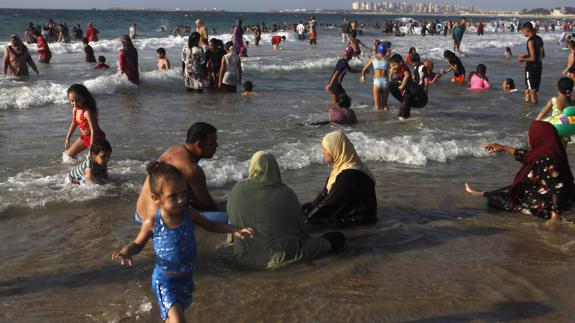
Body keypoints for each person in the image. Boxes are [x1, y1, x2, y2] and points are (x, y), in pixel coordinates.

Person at [113, 161, 253, 323]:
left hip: (186, 279)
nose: (181, 200)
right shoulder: (152, 222)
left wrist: (233, 229)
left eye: (184, 193)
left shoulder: (189, 214)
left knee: (172, 319)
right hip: (165, 282)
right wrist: (126, 251)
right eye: (173, 196)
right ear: (156, 198)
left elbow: (211, 225)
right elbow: (137, 244)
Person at [227, 151, 344, 269]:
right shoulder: (286, 193)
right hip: (280, 258)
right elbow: (300, 231)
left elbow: (232, 225)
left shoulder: (238, 189)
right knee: (336, 238)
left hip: (243, 258)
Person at [465, 121, 575, 221]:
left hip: (542, 205)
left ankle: (481, 194)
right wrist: (503, 148)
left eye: (530, 135)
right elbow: (526, 156)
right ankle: (482, 193)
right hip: (562, 198)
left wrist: (555, 216)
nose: (528, 139)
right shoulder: (553, 151)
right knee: (512, 188)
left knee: (495, 201)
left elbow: (558, 188)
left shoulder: (546, 159)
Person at [135, 122, 224, 224]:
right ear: (199, 144)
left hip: (139, 216)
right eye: (212, 142)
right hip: (159, 224)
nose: (217, 145)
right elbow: (209, 206)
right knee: (229, 217)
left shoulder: (172, 150)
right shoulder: (191, 169)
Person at [302, 131, 377, 225]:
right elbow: (323, 197)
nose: (323, 152)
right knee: (304, 208)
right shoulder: (340, 169)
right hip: (344, 213)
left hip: (356, 221)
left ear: (336, 149)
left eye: (325, 149)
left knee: (312, 222)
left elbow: (329, 204)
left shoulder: (351, 174)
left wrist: (306, 220)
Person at [64, 84, 106, 160]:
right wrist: (68, 138)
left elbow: (93, 131)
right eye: (72, 101)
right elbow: (74, 123)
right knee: (69, 155)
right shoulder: (75, 110)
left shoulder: (87, 112)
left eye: (78, 100)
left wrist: (91, 149)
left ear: (84, 98)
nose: (75, 104)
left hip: (96, 138)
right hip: (84, 137)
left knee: (97, 160)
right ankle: (78, 168)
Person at [389, 53, 427, 120]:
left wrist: (402, 86)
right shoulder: (396, 69)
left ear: (400, 63)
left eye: (394, 65)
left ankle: (403, 117)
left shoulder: (404, 67)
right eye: (392, 65)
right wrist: (391, 74)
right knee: (406, 101)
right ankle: (405, 117)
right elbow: (392, 81)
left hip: (409, 87)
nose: (393, 67)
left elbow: (407, 76)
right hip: (405, 88)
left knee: (406, 99)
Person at [518, 22, 544, 104]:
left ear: (527, 30)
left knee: (531, 90)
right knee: (532, 90)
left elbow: (532, 58)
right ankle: (530, 108)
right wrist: (526, 55)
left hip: (531, 68)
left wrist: (522, 59)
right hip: (539, 66)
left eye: (522, 30)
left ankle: (532, 111)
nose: (522, 32)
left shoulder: (530, 41)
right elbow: (542, 55)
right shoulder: (539, 39)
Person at [360, 42, 391, 111]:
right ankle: (387, 120)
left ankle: (377, 121)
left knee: (377, 106)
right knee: (385, 106)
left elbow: (364, 69)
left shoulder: (374, 59)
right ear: (385, 51)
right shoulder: (387, 59)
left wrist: (363, 76)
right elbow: (391, 66)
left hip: (377, 81)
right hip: (385, 81)